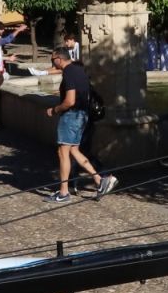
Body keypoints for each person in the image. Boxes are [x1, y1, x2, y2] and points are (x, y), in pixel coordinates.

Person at [45, 45, 116, 203]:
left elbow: (70, 101)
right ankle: (100, 180)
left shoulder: (69, 72)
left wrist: (55, 110)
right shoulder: (79, 71)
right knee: (74, 151)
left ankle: (63, 193)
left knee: (63, 153)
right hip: (82, 116)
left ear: (59, 59)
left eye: (52, 59)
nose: (52, 63)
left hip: (71, 116)